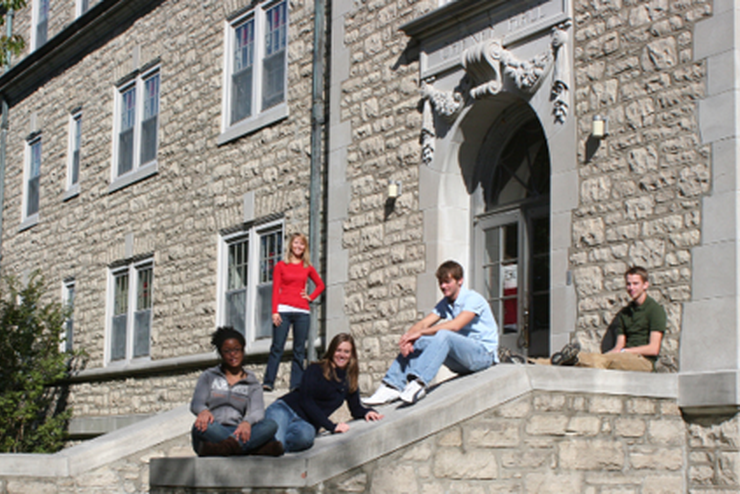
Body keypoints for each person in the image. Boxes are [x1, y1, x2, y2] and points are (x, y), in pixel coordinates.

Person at [365, 260, 499, 406]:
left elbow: (455, 326)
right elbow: (423, 324)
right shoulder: (446, 303)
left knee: (443, 334)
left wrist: (421, 333)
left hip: (483, 356)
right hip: (462, 360)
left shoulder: (473, 299)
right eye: (441, 283)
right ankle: (392, 386)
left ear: (460, 280)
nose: (443, 286)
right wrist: (407, 339)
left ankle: (419, 384)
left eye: (447, 282)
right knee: (420, 341)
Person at [264, 333, 383, 452]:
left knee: (305, 438)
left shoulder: (349, 380)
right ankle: (255, 444)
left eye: (346, 352)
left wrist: (367, 412)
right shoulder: (316, 369)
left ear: (351, 355)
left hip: (305, 423)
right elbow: (306, 401)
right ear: (332, 351)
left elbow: (355, 408)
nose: (342, 355)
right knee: (276, 442)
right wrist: (331, 426)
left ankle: (271, 446)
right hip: (285, 409)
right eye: (338, 350)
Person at [548, 266, 666, 372]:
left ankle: (575, 361)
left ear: (645, 285)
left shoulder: (654, 310)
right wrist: (608, 355)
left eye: (635, 284)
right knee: (601, 358)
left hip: (644, 361)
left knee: (609, 362)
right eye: (628, 284)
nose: (631, 288)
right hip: (623, 356)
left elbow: (654, 349)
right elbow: (618, 347)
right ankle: (547, 362)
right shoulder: (625, 313)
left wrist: (625, 352)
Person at [190, 326, 284, 456]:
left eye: (236, 350)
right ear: (221, 353)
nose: (232, 354)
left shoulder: (252, 382)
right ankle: (251, 448)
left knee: (270, 425)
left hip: (239, 430)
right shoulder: (208, 376)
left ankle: (223, 448)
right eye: (227, 351)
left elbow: (257, 412)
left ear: (243, 350)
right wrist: (203, 411)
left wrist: (247, 422)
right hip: (214, 428)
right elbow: (196, 403)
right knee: (199, 428)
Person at [263, 233, 325, 392]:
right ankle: (269, 381)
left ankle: (296, 384)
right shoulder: (281, 266)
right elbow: (276, 289)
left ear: (305, 247)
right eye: (296, 243)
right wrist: (274, 311)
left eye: (302, 244)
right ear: (291, 245)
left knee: (299, 349)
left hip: (302, 311)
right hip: (283, 310)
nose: (299, 246)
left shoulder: (307, 267)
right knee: (277, 347)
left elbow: (320, 285)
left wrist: (310, 297)